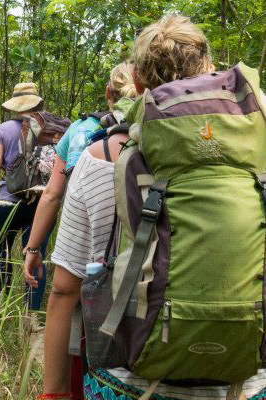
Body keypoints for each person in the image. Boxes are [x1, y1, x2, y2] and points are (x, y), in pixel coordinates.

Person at [31, 15, 266, 400]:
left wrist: (53, 392)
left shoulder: (100, 157)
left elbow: (63, 290)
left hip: (128, 381)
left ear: (138, 84)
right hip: (247, 382)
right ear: (212, 70)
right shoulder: (258, 156)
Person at [23, 61, 137, 400]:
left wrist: (33, 247)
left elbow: (53, 194)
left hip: (88, 267)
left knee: (79, 335)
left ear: (108, 94)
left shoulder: (80, 133)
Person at [0, 82, 55, 314]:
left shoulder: (3, 129)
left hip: (7, 201)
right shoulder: (50, 128)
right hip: (40, 203)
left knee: (1, 252)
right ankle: (31, 315)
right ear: (36, 102)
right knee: (35, 254)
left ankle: (2, 306)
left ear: (15, 105)